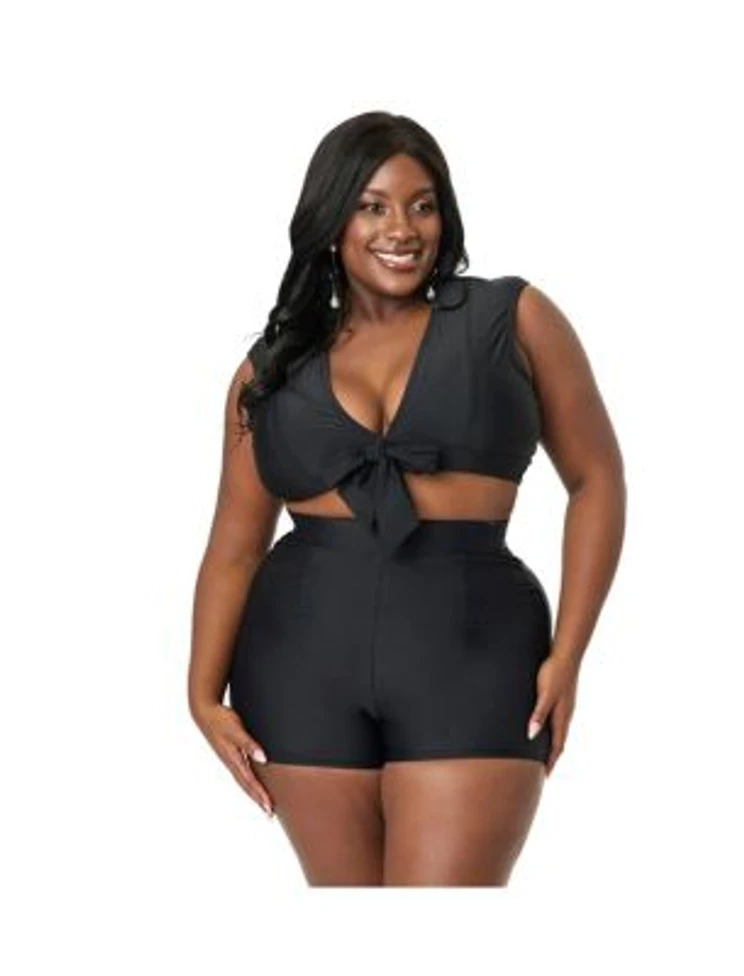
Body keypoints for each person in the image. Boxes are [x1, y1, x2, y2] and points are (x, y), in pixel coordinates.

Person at [188, 110, 626, 886]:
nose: (401, 228)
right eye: (373, 206)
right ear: (332, 220)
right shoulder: (270, 368)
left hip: (474, 654)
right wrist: (199, 694)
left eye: (422, 205)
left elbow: (597, 481)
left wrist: (570, 654)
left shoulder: (511, 318)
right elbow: (235, 545)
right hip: (299, 665)